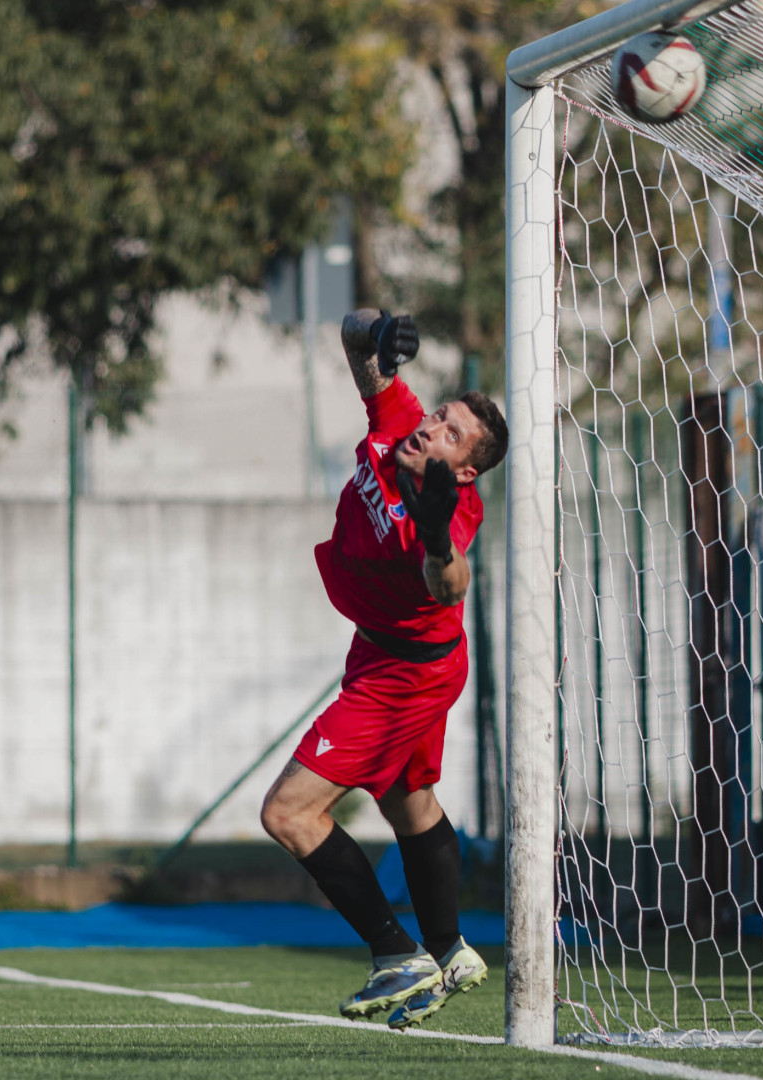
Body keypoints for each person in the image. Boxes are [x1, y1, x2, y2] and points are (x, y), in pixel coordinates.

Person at [258, 309, 509, 1029]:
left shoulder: (451, 511)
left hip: (405, 676)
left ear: (465, 469)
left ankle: (396, 955)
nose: (432, 426)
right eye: (440, 414)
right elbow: (350, 335)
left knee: (289, 813)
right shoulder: (401, 426)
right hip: (387, 651)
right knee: (409, 802)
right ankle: (449, 948)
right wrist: (380, 329)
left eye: (452, 432)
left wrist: (434, 531)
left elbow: (451, 581)